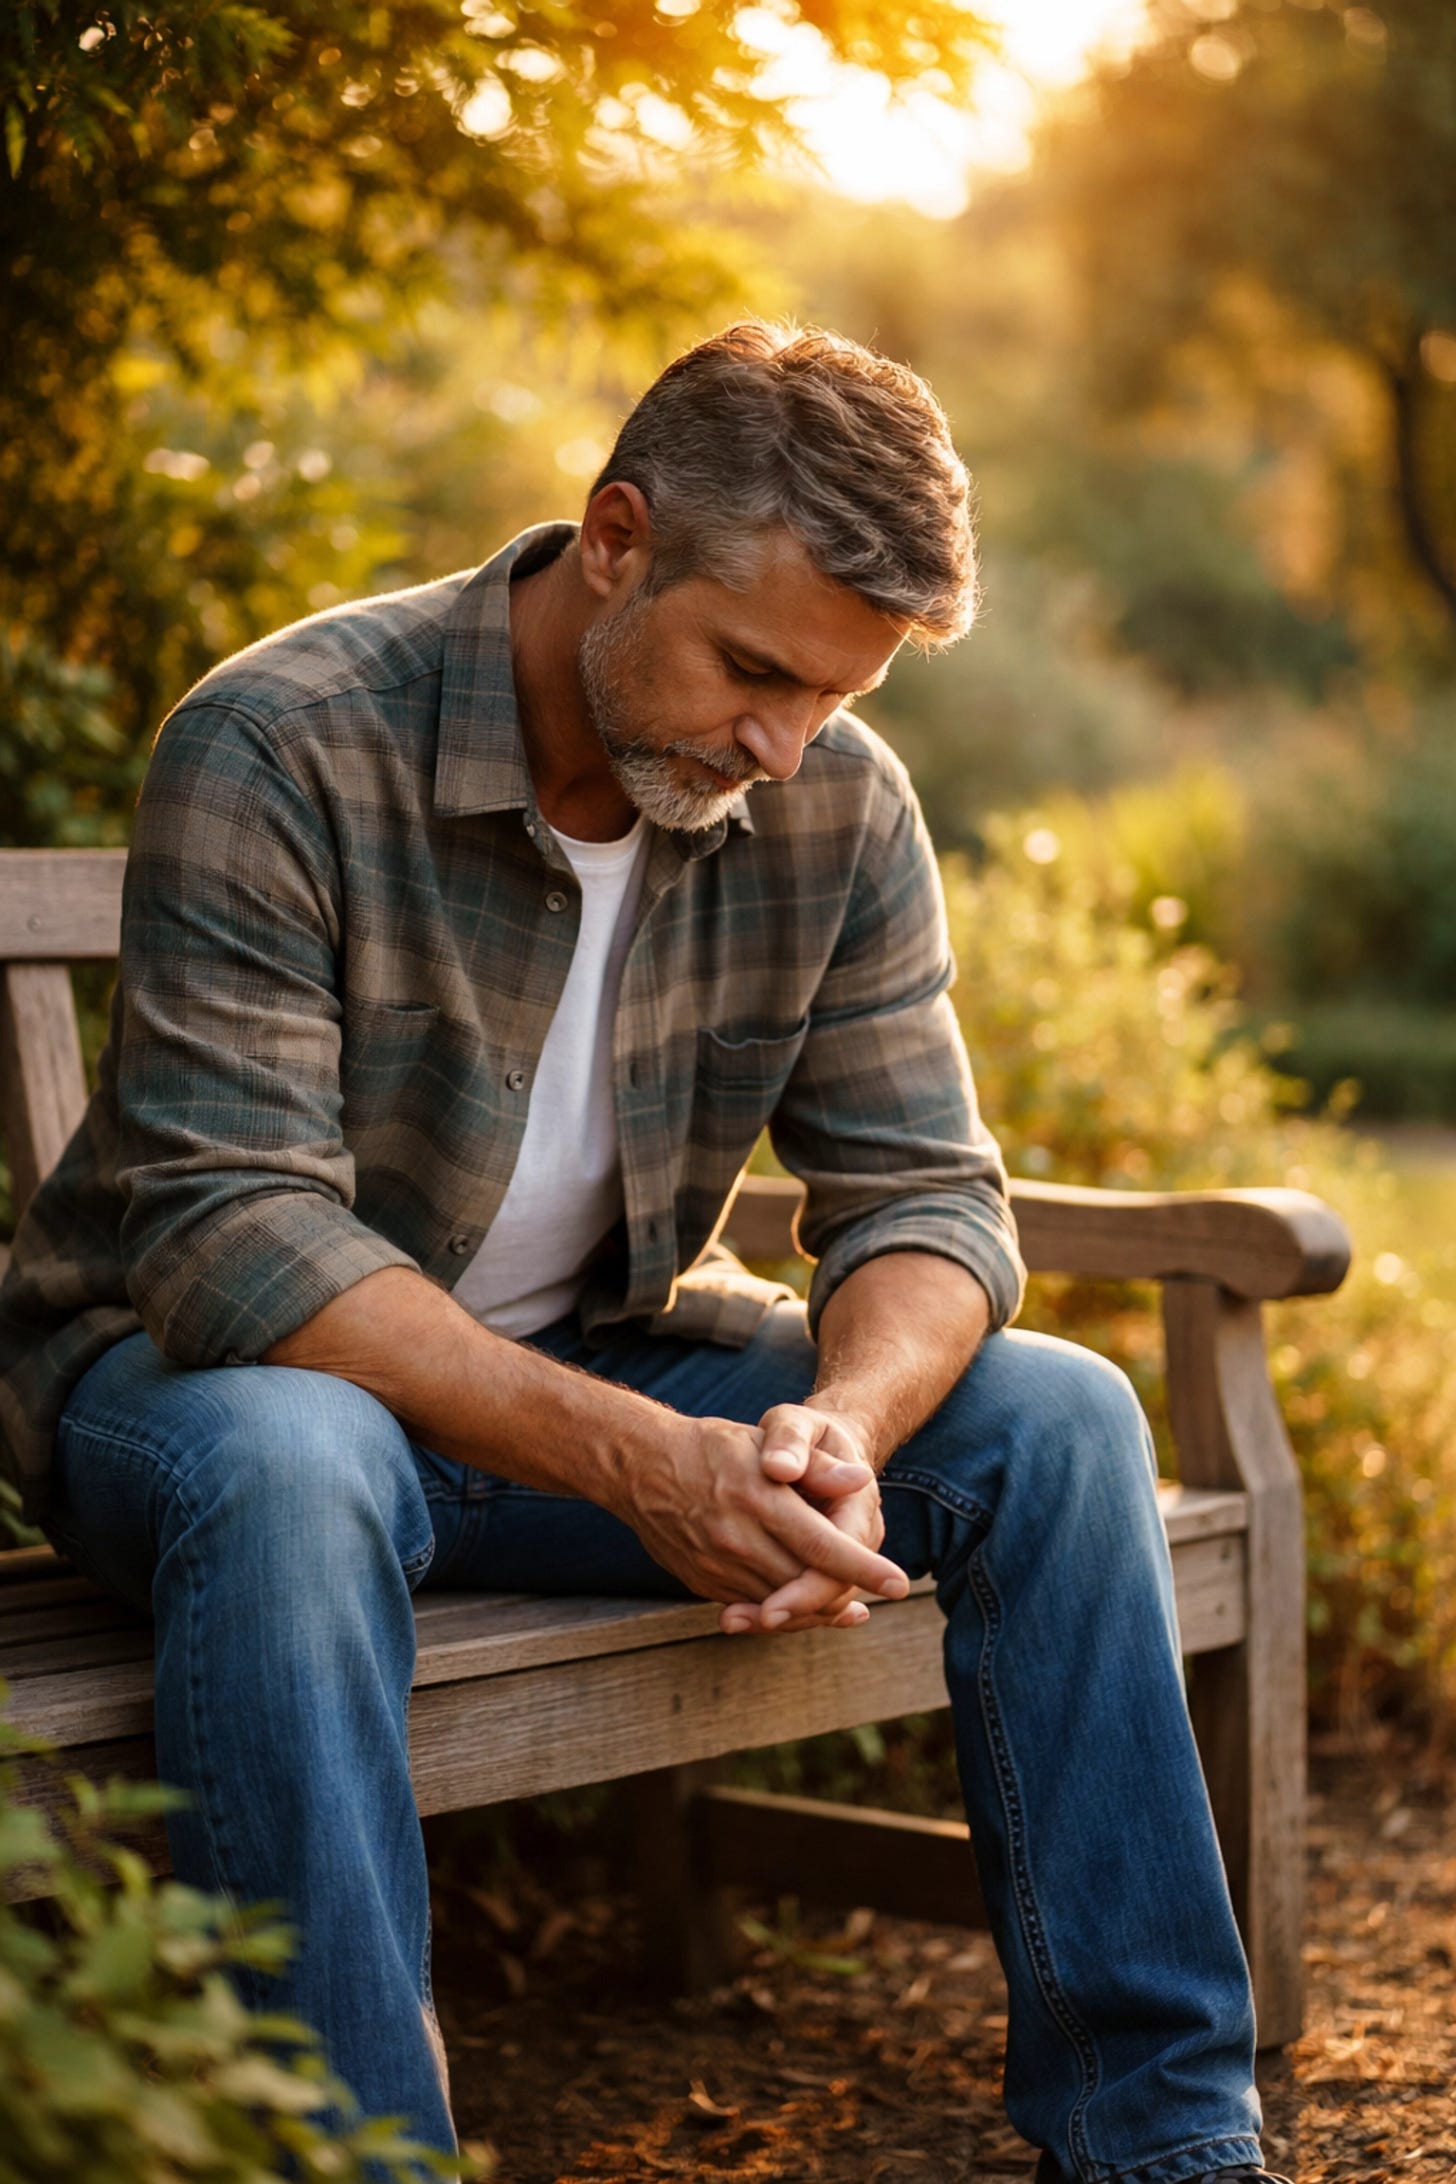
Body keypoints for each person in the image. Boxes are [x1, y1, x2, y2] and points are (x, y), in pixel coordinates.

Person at [0, 323, 1288, 2184]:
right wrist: (639, 1461)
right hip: (197, 1396)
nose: (777, 746)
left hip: (587, 1361)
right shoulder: (280, 741)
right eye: (753, 670)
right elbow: (235, 1246)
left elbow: (925, 1194)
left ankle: (1165, 2145)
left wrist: (840, 1419)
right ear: (615, 537)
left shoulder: (835, 802)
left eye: (828, 703)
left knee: (1059, 1421)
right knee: (300, 1460)